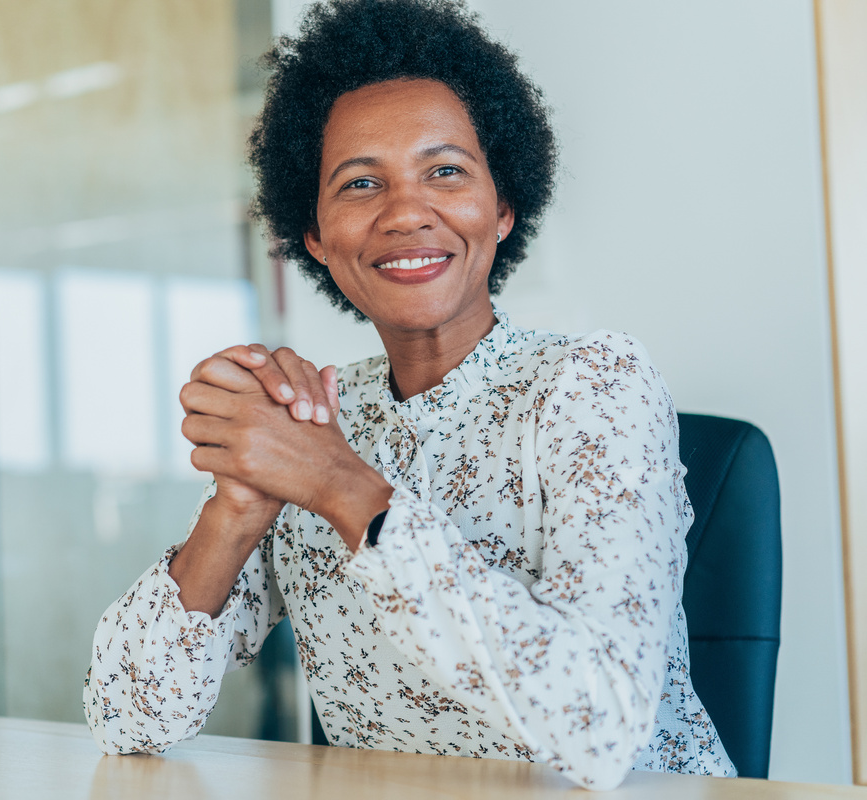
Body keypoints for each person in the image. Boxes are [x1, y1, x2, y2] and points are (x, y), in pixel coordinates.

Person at [83, 0, 735, 790]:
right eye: (361, 183)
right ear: (316, 238)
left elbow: (598, 731)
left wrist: (341, 486)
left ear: (501, 210)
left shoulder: (595, 383)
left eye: (446, 171)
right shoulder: (319, 416)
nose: (404, 212)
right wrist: (241, 502)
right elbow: (127, 717)